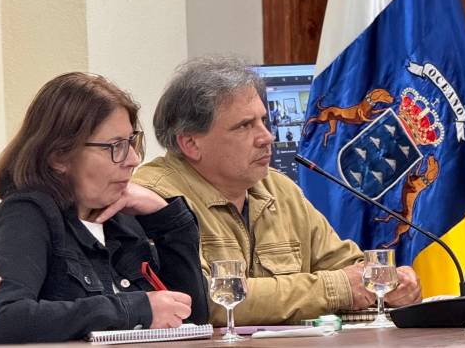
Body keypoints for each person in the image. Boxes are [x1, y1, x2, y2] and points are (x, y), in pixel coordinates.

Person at [133, 56, 422, 325]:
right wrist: (336, 288)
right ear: (191, 143)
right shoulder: (156, 199)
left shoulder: (279, 188)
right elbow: (205, 301)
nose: (267, 137)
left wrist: (395, 282)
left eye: (264, 121)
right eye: (244, 126)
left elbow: (350, 269)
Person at [0, 73, 208, 344]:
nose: (133, 159)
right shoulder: (26, 215)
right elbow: (2, 318)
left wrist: (166, 219)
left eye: (131, 142)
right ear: (59, 156)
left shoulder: (123, 220)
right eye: (115, 146)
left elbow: (192, 318)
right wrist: (134, 309)